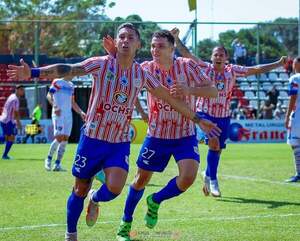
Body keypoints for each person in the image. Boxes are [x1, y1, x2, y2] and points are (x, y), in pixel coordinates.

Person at [7, 23, 220, 241]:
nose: (126, 40)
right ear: (116, 42)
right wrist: (33, 72)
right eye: (122, 37)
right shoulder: (101, 64)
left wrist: (198, 119)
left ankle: (97, 198)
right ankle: (71, 234)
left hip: (119, 142)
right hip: (92, 138)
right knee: (79, 188)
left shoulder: (143, 73)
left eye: (131, 38)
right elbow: (68, 69)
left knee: (116, 188)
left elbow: (170, 98)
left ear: (138, 44)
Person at [102, 30, 218, 240]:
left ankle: (155, 200)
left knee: (188, 177)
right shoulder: (144, 68)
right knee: (139, 181)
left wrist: (189, 90)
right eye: (153, 46)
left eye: (161, 46)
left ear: (172, 49)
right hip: (156, 135)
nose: (155, 50)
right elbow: (122, 75)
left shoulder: (187, 66)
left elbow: (213, 91)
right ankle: (125, 224)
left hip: (184, 133)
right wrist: (113, 55)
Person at [171, 27, 287, 197]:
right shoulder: (205, 68)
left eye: (221, 55)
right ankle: (213, 180)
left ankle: (208, 174)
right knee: (214, 144)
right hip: (204, 114)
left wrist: (277, 63)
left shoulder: (232, 70)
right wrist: (176, 39)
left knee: (217, 150)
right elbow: (188, 55)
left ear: (226, 58)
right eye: (215, 55)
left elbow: (255, 69)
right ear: (211, 57)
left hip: (224, 116)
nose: (218, 57)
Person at [44, 76, 86, 171]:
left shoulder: (71, 85)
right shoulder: (58, 82)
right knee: (59, 138)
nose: (74, 74)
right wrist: (55, 106)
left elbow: (72, 103)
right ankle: (48, 159)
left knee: (65, 139)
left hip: (68, 115)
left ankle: (57, 164)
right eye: (73, 72)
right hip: (58, 113)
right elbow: (49, 95)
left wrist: (81, 112)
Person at [285, 57, 300, 182]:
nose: (293, 64)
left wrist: (287, 115)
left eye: (294, 62)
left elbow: (293, 97)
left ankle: (299, 173)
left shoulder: (295, 78)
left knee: (295, 144)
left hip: (297, 116)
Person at [0, 85, 24, 159]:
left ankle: (5, 155)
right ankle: (4, 155)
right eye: (22, 90)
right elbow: (16, 113)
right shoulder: (15, 99)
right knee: (11, 138)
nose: (23, 92)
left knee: (6, 137)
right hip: (8, 121)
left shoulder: (11, 96)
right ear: (17, 90)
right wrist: (18, 123)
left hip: (4, 119)